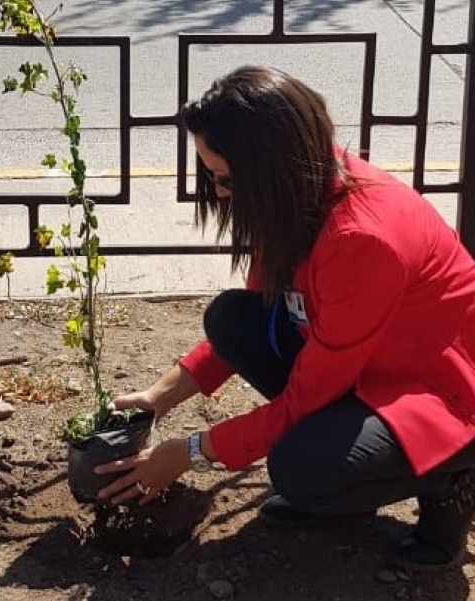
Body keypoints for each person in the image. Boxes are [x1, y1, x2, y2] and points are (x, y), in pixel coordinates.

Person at [94, 65, 475, 570]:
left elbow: (303, 399)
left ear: (271, 166)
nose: (220, 192)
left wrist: (188, 450)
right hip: (364, 359)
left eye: (226, 178)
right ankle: (343, 468)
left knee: (300, 469)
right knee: (232, 319)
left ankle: (452, 478)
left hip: (444, 390)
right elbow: (270, 310)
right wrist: (157, 399)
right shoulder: (302, 195)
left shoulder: (361, 239)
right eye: (211, 176)